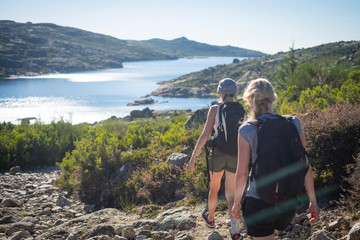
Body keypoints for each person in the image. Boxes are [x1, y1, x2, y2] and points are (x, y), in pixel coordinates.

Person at [231, 78, 320, 239]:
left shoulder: (247, 129)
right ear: (272, 98)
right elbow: (304, 164)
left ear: (250, 101)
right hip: (287, 203)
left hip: (259, 202)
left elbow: (242, 174)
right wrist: (313, 200)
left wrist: (237, 203)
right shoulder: (293, 122)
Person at [189, 78, 245, 239]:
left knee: (214, 189)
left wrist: (194, 155)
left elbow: (206, 134)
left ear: (220, 92)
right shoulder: (242, 109)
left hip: (218, 154)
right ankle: (234, 229)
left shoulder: (215, 109)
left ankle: (211, 218)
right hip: (236, 155)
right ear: (235, 93)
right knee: (231, 193)